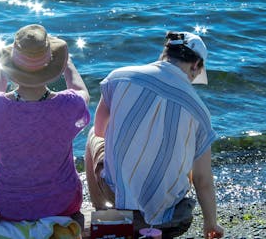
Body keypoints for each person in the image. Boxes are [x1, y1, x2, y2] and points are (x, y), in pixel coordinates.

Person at [85, 31, 224, 238]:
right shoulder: (200, 111)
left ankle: (107, 215)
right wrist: (211, 223)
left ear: (165, 53)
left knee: (93, 137)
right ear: (195, 65)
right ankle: (149, 217)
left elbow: (100, 130)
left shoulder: (119, 77)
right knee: (186, 158)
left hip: (116, 195)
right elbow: (202, 179)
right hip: (169, 208)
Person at [0, 24, 90, 228]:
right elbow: (81, 92)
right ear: (53, 66)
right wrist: (68, 65)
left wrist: (5, 68)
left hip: (7, 206)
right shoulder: (69, 105)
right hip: (63, 203)